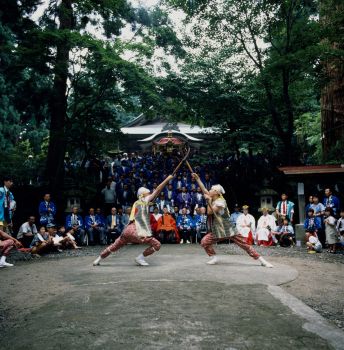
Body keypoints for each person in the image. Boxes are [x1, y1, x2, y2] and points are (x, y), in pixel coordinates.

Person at [192, 173, 273, 267]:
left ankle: (262, 260)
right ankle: (214, 257)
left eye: (212, 189)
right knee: (204, 242)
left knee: (244, 245)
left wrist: (208, 201)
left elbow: (209, 212)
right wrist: (198, 179)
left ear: (217, 193)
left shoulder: (220, 202)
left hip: (228, 228)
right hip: (218, 229)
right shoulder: (213, 197)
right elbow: (204, 190)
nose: (209, 190)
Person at [93, 173, 174, 267]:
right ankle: (140, 258)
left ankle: (98, 259)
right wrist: (167, 179)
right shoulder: (144, 200)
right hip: (136, 230)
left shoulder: (137, 202)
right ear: (143, 195)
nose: (150, 194)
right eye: (148, 193)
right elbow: (158, 189)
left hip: (127, 230)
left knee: (114, 246)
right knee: (157, 245)